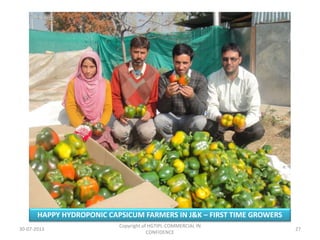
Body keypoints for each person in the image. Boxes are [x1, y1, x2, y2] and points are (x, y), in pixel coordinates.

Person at [205, 42, 265, 148]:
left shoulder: (250, 79)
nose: (229, 62)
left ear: (240, 60)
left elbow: (255, 109)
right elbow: (211, 105)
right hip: (221, 114)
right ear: (221, 59)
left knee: (258, 131)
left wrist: (245, 123)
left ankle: (238, 141)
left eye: (233, 59)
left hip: (242, 115)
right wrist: (218, 117)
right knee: (207, 127)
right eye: (225, 59)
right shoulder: (213, 78)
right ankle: (219, 143)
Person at [110, 36, 160, 148]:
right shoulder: (119, 71)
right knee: (118, 132)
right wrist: (120, 113)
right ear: (130, 51)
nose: (139, 56)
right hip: (126, 114)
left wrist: (150, 112)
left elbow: (154, 99)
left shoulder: (154, 73)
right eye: (135, 52)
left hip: (144, 115)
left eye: (142, 52)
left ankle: (142, 142)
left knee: (148, 133)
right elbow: (115, 96)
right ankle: (129, 141)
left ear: (147, 52)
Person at [63, 50, 118, 150]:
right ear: (80, 66)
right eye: (85, 66)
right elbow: (70, 107)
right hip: (79, 123)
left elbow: (108, 107)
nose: (88, 71)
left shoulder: (105, 84)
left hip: (97, 124)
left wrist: (100, 125)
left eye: (92, 67)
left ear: (97, 67)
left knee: (103, 145)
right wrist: (81, 126)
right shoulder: (74, 83)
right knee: (76, 144)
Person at [154, 43, 208, 141]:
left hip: (190, 119)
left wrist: (192, 97)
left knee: (201, 121)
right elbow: (161, 109)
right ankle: (170, 141)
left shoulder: (200, 79)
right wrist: (167, 95)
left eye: (185, 63)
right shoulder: (164, 78)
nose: (181, 67)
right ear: (173, 61)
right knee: (159, 120)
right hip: (172, 118)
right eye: (177, 62)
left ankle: (190, 140)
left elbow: (201, 110)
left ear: (191, 62)